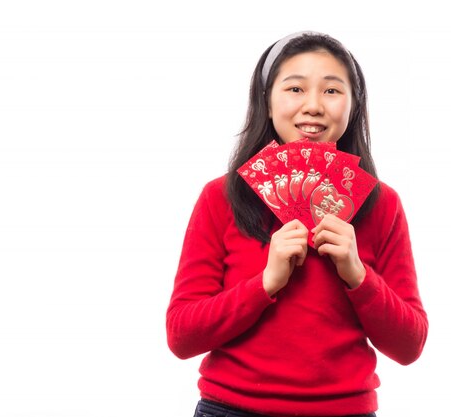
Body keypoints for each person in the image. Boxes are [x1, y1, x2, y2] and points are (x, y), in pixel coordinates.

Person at [166, 31, 428, 417]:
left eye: (332, 91)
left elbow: (410, 346)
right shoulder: (220, 197)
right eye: (294, 88)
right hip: (231, 409)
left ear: (354, 107)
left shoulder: (383, 204)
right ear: (267, 103)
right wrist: (265, 283)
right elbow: (181, 336)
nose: (313, 106)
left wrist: (357, 274)